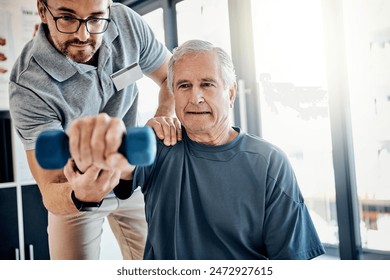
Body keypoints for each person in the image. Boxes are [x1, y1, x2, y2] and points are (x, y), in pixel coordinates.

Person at [65, 39, 326, 260]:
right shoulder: (158, 144)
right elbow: (120, 166)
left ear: (231, 93)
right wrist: (98, 151)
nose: (195, 97)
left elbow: (291, 261)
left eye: (207, 84)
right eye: (184, 86)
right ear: (174, 94)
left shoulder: (269, 162)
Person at [8, 0, 180, 260]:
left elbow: (171, 75)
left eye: (96, 18)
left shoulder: (126, 23)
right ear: (43, 11)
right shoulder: (28, 85)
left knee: (160, 262)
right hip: (74, 185)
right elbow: (51, 188)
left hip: (132, 172)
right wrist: (81, 194)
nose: (83, 34)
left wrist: (164, 115)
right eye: (67, 18)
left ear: (109, 9)